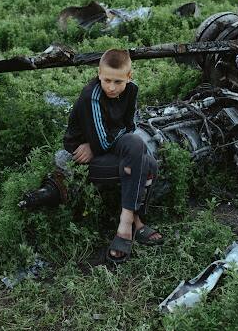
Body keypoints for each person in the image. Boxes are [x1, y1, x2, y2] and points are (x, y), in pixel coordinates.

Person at [63, 48, 163, 264]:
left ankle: (125, 223)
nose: (111, 87)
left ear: (129, 77)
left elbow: (130, 126)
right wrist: (96, 143)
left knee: (138, 146)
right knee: (147, 163)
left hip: (104, 146)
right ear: (99, 73)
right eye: (107, 80)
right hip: (84, 157)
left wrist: (101, 141)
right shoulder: (92, 96)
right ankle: (134, 223)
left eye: (118, 81)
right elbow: (104, 142)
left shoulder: (131, 90)